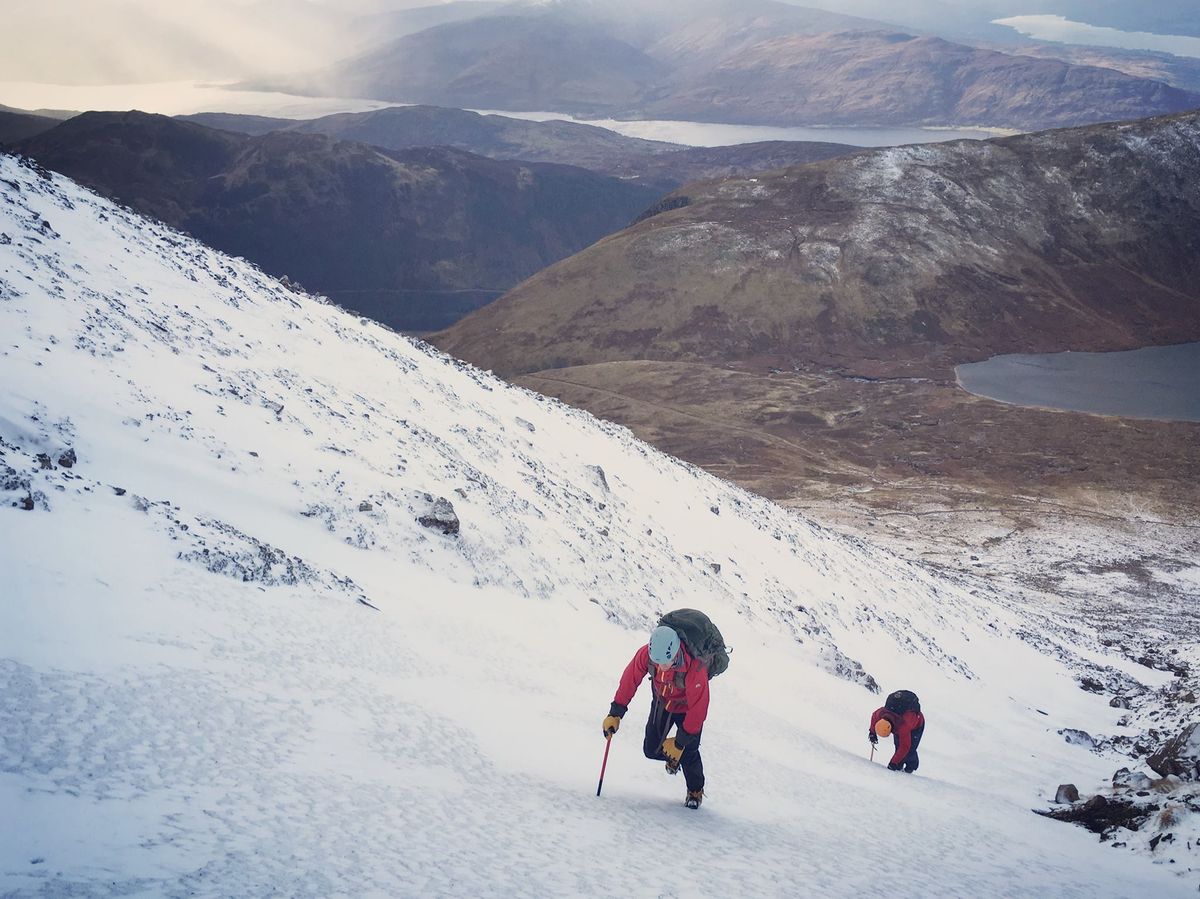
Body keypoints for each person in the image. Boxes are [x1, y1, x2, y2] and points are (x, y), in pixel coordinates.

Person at [602, 623, 710, 809]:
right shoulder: (646, 655)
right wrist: (616, 713)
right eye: (657, 662)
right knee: (651, 749)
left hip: (687, 710)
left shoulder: (695, 668)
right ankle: (674, 759)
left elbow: (698, 710)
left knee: (689, 752)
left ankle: (695, 791)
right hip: (663, 703)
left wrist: (679, 743)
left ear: (676, 653)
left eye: (665, 662)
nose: (661, 667)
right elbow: (630, 679)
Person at [869, 691, 925, 773]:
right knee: (897, 745)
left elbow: (905, 747)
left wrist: (892, 763)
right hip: (898, 722)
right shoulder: (880, 714)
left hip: (917, 725)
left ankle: (910, 767)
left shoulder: (903, 726)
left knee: (909, 749)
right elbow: (874, 717)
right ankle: (898, 766)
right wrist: (872, 733)